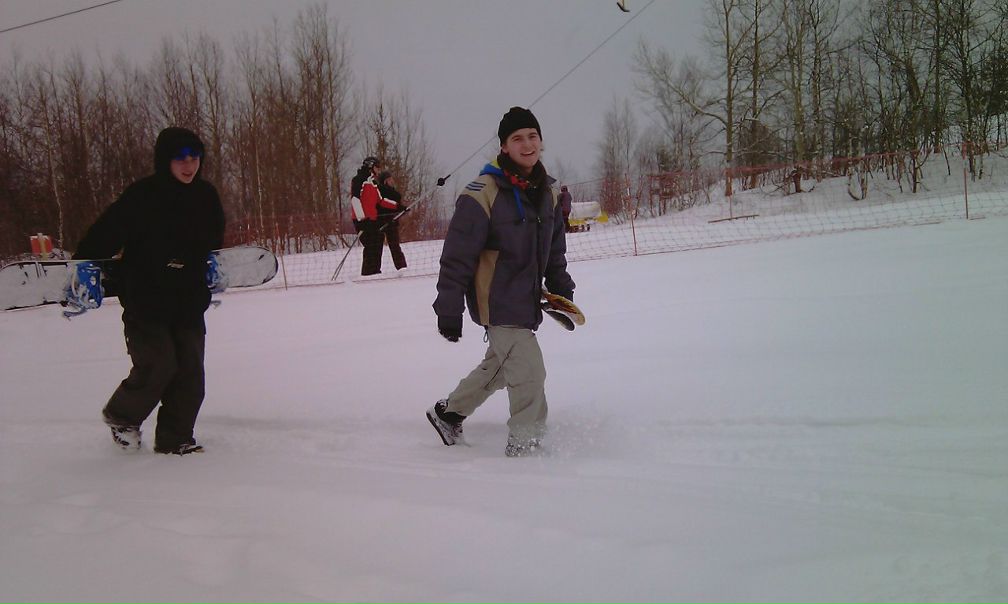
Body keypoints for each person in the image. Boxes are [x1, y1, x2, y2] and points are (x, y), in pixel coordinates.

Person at [427, 106, 576, 457]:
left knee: (499, 366)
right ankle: (525, 447)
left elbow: (555, 252)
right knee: (529, 372)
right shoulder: (482, 193)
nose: (527, 144)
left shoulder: (548, 194)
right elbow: (457, 257)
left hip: (526, 300)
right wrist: (448, 308)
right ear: (504, 146)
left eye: (532, 136)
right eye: (517, 138)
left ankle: (448, 414)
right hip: (495, 301)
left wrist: (561, 289)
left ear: (541, 141)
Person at [73, 126, 225, 455]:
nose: (189, 165)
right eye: (180, 158)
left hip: (188, 301)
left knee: (190, 375)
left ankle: (175, 439)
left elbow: (214, 241)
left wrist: (213, 263)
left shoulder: (206, 196)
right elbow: (103, 235)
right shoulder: (142, 196)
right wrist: (85, 265)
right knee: (159, 365)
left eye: (195, 157)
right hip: (147, 301)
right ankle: (122, 417)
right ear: (165, 160)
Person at [349, 156, 399, 276]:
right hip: (362, 221)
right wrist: (361, 220)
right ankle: (367, 273)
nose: (379, 170)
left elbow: (380, 201)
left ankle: (375, 272)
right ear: (370, 166)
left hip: (372, 220)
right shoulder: (359, 180)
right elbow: (355, 199)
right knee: (370, 246)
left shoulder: (373, 183)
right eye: (377, 167)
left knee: (378, 240)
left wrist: (398, 206)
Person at [376, 171, 408, 270]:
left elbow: (396, 205)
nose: (392, 181)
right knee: (378, 248)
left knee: (395, 247)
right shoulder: (381, 191)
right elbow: (386, 205)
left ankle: (402, 268)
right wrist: (399, 208)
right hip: (381, 223)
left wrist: (401, 210)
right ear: (385, 181)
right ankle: (374, 271)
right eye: (390, 179)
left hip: (392, 222)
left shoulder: (392, 192)